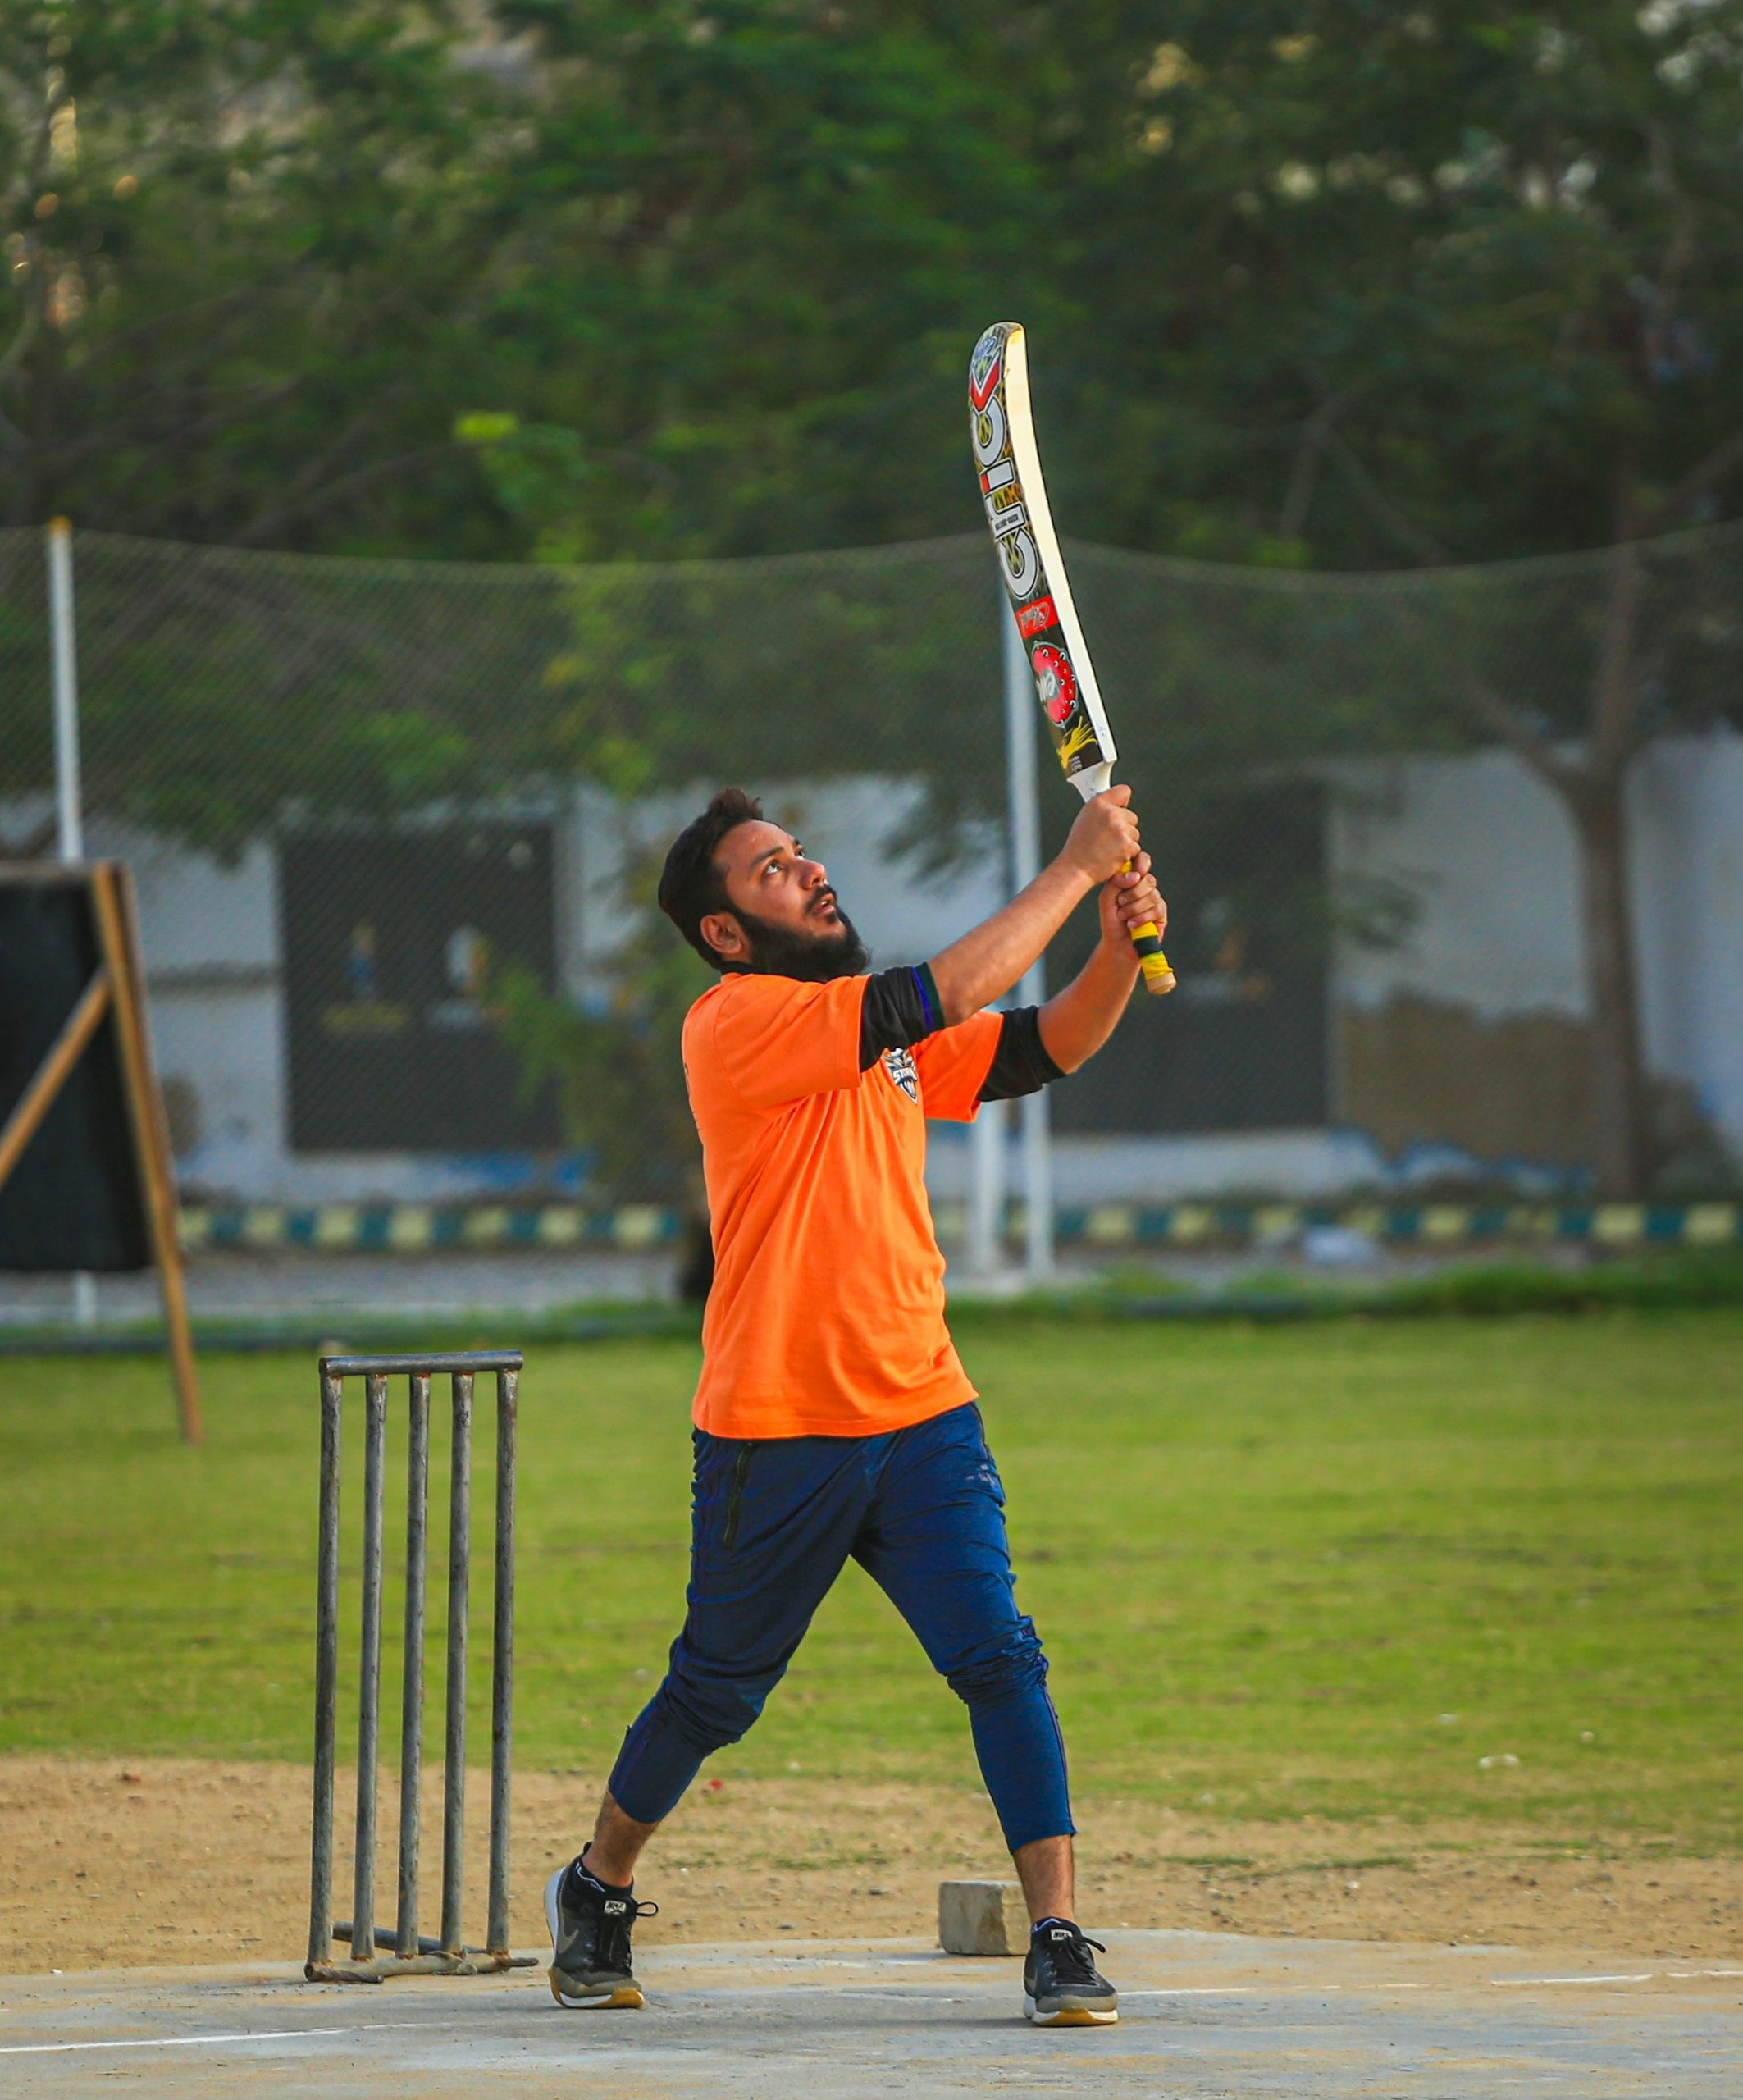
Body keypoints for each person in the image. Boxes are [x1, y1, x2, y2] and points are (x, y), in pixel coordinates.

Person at [545, 782, 1166, 2028]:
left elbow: (1041, 1047)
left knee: (1000, 1658)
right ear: (725, 930)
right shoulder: (735, 1022)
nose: (810, 870)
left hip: (923, 1408)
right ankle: (598, 1882)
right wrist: (1072, 867)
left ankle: (1056, 1933)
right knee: (716, 1691)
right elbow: (935, 995)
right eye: (772, 868)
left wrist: (1109, 947)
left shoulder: (878, 1035)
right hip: (775, 1428)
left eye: (801, 852)